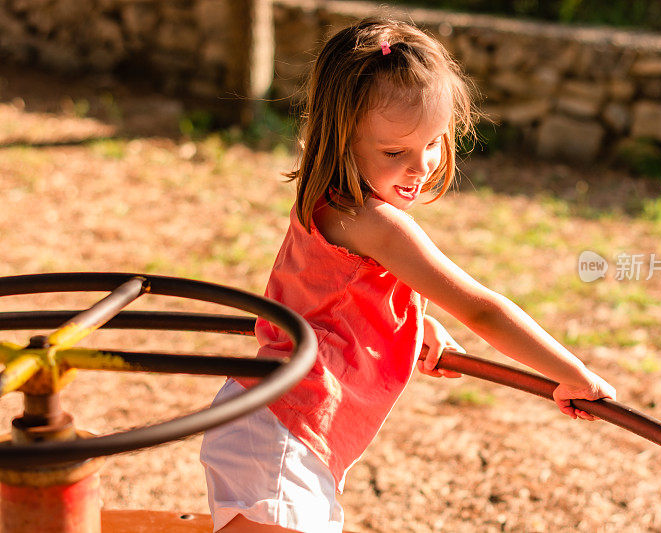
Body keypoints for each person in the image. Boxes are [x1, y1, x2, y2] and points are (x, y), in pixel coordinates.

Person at [200, 17, 616, 533]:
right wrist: (571, 374)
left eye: (434, 143)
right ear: (341, 137)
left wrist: (411, 327)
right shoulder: (379, 225)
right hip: (285, 434)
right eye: (395, 152)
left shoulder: (328, 203)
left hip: (270, 419)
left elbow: (332, 300)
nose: (421, 167)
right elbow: (482, 309)